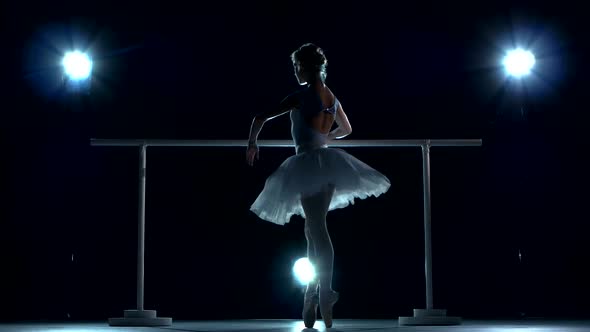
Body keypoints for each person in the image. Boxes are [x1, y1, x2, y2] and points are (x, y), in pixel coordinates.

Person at [246, 43, 391, 328]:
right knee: (312, 228)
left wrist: (252, 143)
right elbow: (347, 129)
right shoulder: (331, 97)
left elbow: (259, 117)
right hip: (326, 161)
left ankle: (324, 293)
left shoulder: (300, 95)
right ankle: (312, 294)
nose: (295, 71)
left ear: (305, 66)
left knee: (317, 228)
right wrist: (325, 140)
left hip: (306, 163)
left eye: (296, 66)